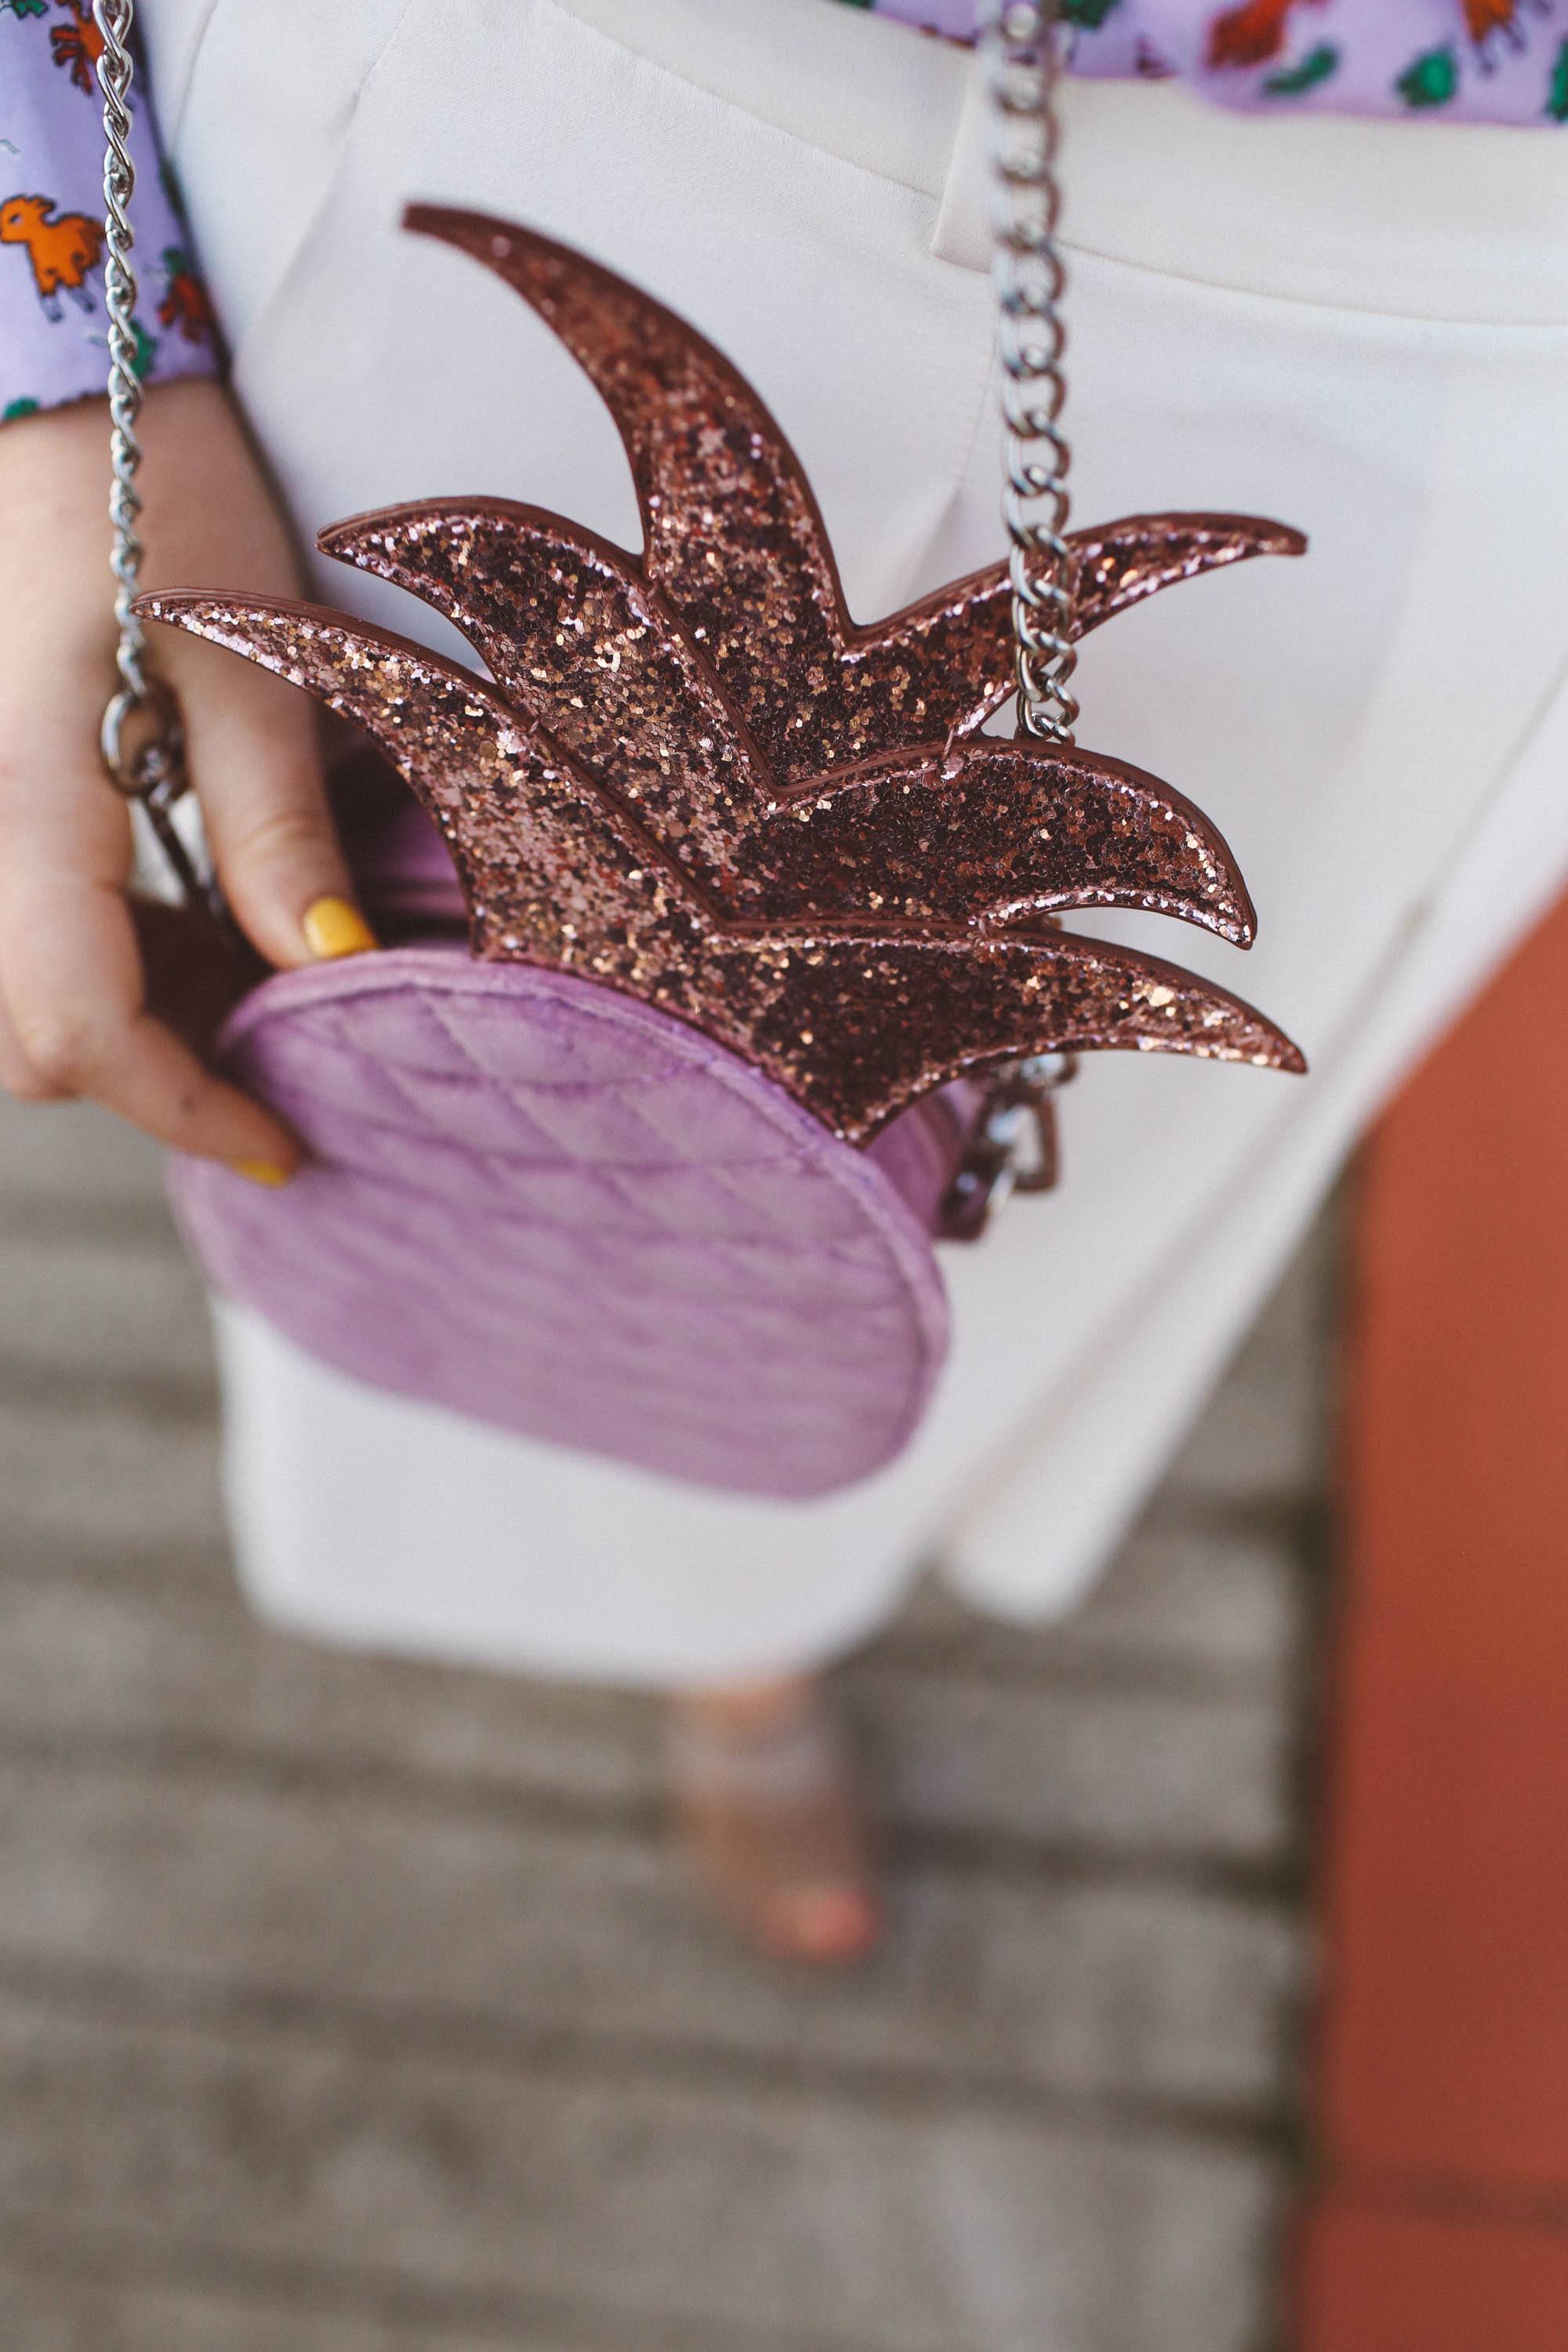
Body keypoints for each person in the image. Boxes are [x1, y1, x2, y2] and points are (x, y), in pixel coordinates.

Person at [2, 0, 1565, 1963]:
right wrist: (60, 347)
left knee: (973, 1230)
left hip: (1453, 250)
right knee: (410, 1101)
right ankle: (705, 1630)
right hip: (560, 95)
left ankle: (754, 1618)